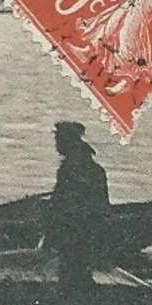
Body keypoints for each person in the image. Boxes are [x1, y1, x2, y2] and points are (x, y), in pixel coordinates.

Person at [44, 120, 110, 294]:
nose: (56, 145)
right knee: (81, 274)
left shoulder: (68, 169)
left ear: (66, 140)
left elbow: (60, 204)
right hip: (91, 231)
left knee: (69, 275)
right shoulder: (96, 170)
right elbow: (103, 207)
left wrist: (51, 233)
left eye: (58, 139)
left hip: (73, 231)